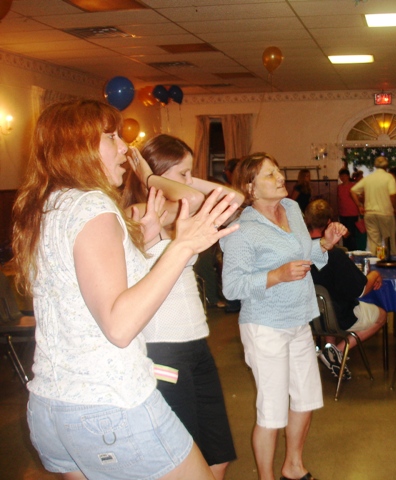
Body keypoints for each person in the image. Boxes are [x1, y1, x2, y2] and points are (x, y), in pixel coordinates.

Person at [11, 99, 239, 480]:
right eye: (111, 138)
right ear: (79, 147)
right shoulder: (93, 207)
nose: (124, 148)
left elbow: (84, 299)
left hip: (53, 406)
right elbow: (118, 326)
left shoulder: (51, 205)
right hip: (109, 405)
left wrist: (143, 242)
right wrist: (182, 246)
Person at [220, 153, 346, 480]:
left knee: (305, 399)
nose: (280, 178)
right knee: (272, 412)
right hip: (265, 326)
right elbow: (231, 287)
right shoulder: (241, 230)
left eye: (278, 171)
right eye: (270, 174)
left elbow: (302, 255)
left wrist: (325, 244)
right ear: (250, 188)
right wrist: (276, 275)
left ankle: (293, 466)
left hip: (299, 319)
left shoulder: (290, 208)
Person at [123, 134, 242, 479]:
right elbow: (194, 197)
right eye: (183, 173)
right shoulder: (135, 215)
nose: (191, 181)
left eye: (192, 172)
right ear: (156, 174)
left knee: (217, 455)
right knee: (180, 458)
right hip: (162, 348)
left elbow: (234, 199)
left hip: (196, 345)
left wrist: (183, 177)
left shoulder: (183, 214)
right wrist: (150, 179)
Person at [305, 199, 386, 380]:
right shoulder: (334, 255)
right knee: (381, 315)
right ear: (329, 223)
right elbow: (361, 290)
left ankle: (330, 348)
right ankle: (336, 352)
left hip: (308, 317)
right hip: (338, 316)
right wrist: (374, 275)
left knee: (329, 299)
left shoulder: (299, 251)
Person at [350, 156, 396, 255]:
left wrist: (359, 205)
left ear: (375, 166)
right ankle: (391, 260)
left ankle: (379, 258)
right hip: (386, 214)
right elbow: (393, 195)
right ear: (386, 166)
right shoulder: (389, 177)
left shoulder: (369, 178)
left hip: (370, 214)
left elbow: (353, 190)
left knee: (375, 242)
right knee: (389, 240)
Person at [337, 168, 360, 251]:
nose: (342, 178)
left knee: (351, 234)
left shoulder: (353, 186)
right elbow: (338, 200)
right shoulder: (339, 187)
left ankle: (353, 251)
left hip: (352, 213)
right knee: (344, 234)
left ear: (348, 176)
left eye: (344, 176)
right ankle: (346, 251)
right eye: (341, 176)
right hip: (342, 213)